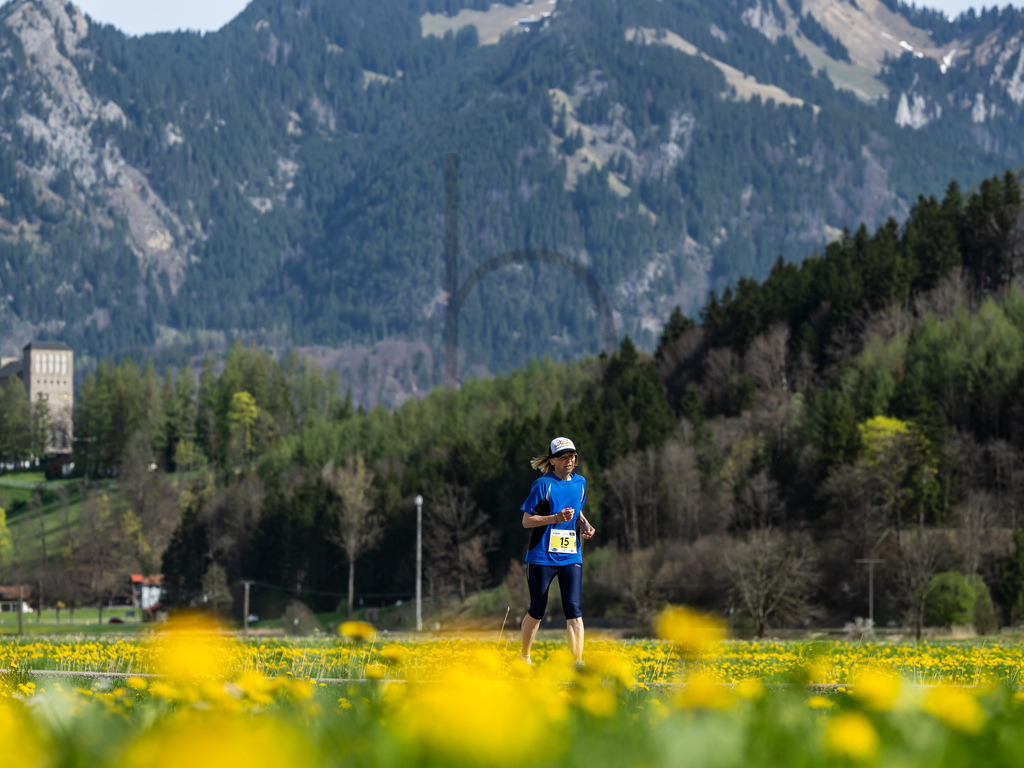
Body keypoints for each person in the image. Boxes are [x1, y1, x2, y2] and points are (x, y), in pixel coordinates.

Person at [519, 436, 596, 667]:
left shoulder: (580, 483)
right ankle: (524, 657)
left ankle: (578, 663)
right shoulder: (543, 485)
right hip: (542, 556)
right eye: (563, 458)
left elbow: (577, 510)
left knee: (573, 608)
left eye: (571, 456)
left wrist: (585, 524)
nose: (568, 461)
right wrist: (554, 518)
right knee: (537, 609)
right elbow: (526, 521)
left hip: (571, 554)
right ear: (552, 461)